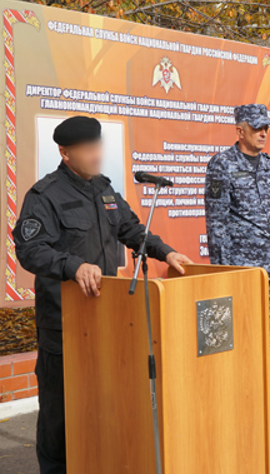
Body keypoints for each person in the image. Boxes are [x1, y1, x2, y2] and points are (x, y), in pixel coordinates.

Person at [13, 116, 192, 474]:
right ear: (65, 153)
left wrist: (165, 251)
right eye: (87, 149)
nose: (97, 154)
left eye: (98, 146)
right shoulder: (45, 196)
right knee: (60, 412)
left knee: (100, 403)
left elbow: (130, 229)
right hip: (63, 322)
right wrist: (72, 266)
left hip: (104, 317)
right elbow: (29, 250)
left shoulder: (105, 190)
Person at [204, 104, 270, 431]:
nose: (262, 133)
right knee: (240, 346)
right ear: (239, 130)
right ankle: (237, 412)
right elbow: (217, 224)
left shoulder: (269, 166)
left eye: (266, 128)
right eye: (256, 127)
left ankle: (266, 411)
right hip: (241, 275)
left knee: (269, 348)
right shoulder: (222, 165)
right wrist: (225, 274)